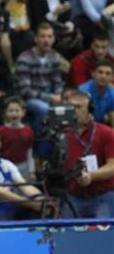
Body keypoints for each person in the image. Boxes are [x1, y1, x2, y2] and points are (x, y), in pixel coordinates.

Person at [62, 90, 114, 218]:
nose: (74, 111)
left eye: (79, 107)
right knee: (67, 236)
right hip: (72, 196)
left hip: (102, 196)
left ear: (90, 109)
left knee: (102, 236)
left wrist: (91, 176)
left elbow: (112, 165)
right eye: (71, 107)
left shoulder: (106, 133)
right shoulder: (63, 135)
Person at [15, 22, 64, 135]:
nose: (46, 40)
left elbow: (57, 83)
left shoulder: (54, 57)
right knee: (44, 109)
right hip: (28, 99)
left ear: (53, 39)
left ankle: (60, 143)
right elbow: (25, 91)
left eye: (49, 36)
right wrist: (50, 97)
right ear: (36, 39)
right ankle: (40, 142)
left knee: (68, 108)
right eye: (42, 36)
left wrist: (59, 95)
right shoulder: (25, 58)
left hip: (50, 96)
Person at [0, 96, 34, 179]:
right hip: (5, 166)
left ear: (23, 112)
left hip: (23, 166)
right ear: (6, 113)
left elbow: (30, 151)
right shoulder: (2, 131)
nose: (14, 113)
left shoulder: (28, 130)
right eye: (11, 111)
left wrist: (32, 171)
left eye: (17, 111)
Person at [78, 60, 114, 127]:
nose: (103, 76)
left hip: (100, 124)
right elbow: (80, 120)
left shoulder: (112, 93)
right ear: (93, 74)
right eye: (100, 72)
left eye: (108, 73)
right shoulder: (83, 91)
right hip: (84, 125)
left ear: (112, 77)